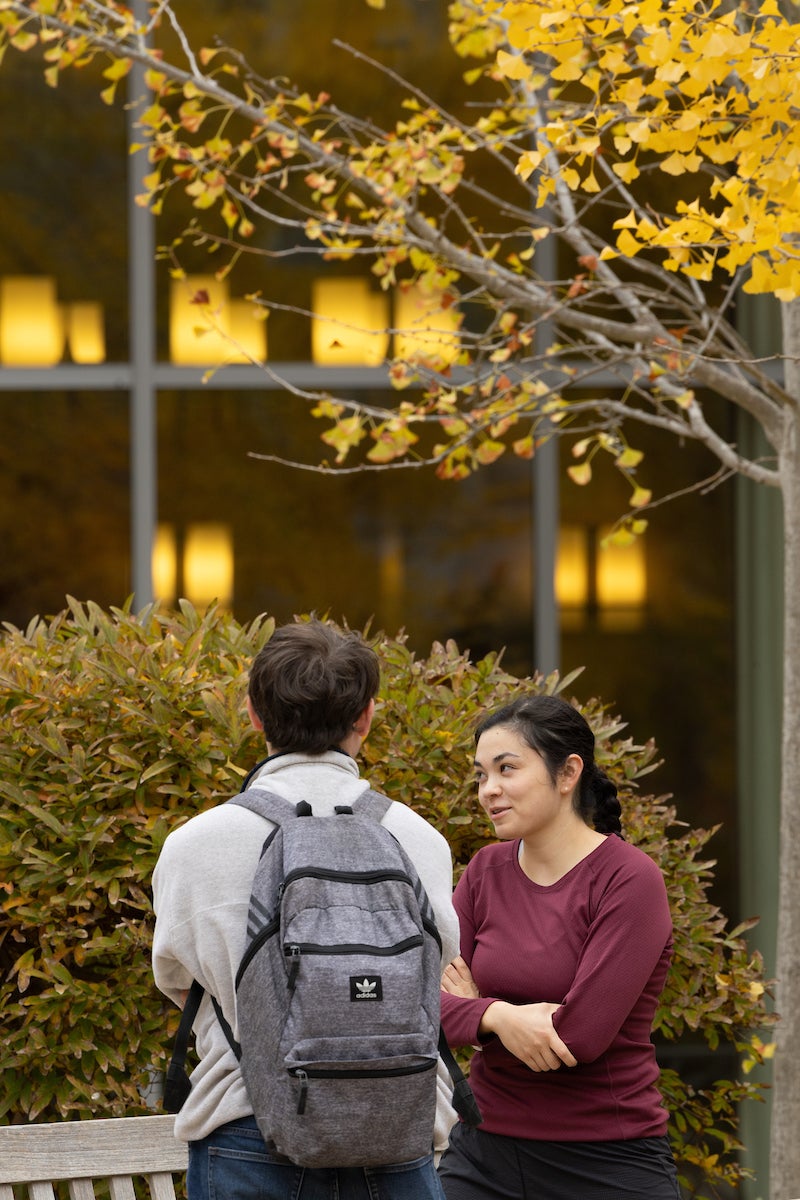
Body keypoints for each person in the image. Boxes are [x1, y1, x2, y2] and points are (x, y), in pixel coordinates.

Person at [152, 617, 458, 1200]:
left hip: (247, 1132)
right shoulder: (419, 840)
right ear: (366, 716)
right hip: (398, 1134)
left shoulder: (195, 845)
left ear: (254, 714)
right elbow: (435, 967)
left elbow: (176, 977)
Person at [437, 694, 680, 1200]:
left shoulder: (629, 879)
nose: (489, 790)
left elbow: (579, 1035)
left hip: (606, 1162)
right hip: (482, 1154)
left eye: (507, 769)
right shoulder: (485, 870)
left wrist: (472, 1010)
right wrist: (500, 1017)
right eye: (481, 774)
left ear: (568, 773)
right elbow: (417, 1001)